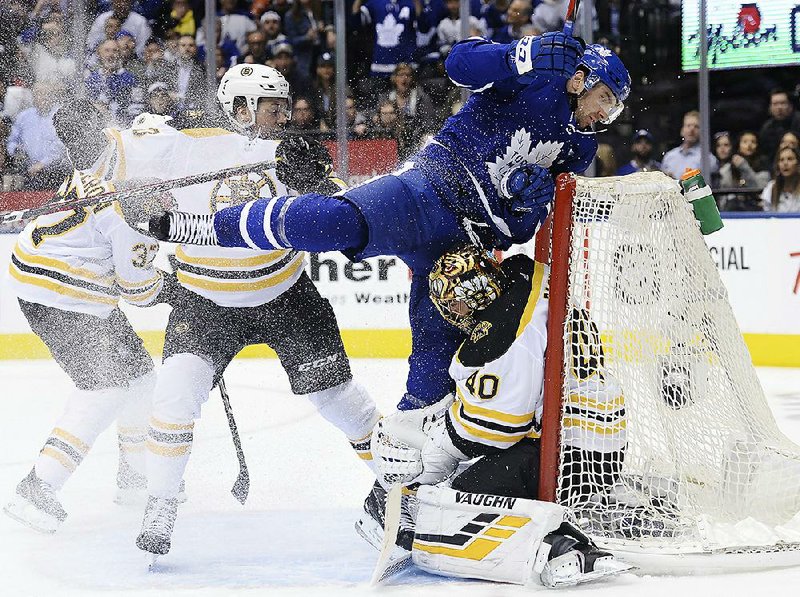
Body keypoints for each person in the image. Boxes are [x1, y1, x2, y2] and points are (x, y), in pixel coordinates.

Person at [146, 35, 631, 417]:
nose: (605, 113)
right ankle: (211, 228)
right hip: (426, 191)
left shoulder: (582, 147)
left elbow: (525, 227)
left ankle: (392, 497)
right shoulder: (537, 78)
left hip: (465, 248)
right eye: (604, 97)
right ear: (579, 78)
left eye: (614, 107)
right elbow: (459, 64)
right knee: (338, 221)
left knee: (434, 374)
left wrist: (527, 203)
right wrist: (515, 55)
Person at [97, 64, 382, 557]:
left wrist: (317, 182)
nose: (283, 117)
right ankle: (161, 501)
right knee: (173, 399)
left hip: (286, 297)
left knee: (340, 400)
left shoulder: (291, 151)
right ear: (243, 108)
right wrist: (99, 157)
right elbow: (105, 155)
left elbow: (339, 213)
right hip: (205, 303)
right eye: (273, 108)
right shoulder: (181, 142)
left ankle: (401, 484)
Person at [367, 245, 630, 587]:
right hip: (592, 441)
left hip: (573, 461)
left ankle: (563, 547)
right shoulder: (525, 278)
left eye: (456, 303)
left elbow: (494, 430)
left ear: (476, 294)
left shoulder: (503, 340)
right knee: (471, 474)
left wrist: (435, 451)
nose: (454, 312)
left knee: (465, 495)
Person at [3, 99, 171, 533]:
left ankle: (135, 479)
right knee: (105, 388)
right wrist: (178, 289)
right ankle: (37, 488)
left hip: (57, 276)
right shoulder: (127, 203)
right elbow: (138, 289)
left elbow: (143, 136)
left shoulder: (110, 149)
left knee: (140, 378)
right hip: (63, 292)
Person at [716, 130, 770, 211]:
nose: (749, 145)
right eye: (745, 142)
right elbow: (724, 190)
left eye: (753, 142)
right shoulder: (727, 169)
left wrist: (744, 167)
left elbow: (758, 189)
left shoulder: (763, 168)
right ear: (738, 145)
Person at [661, 110, 718, 181]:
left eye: (696, 126)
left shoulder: (708, 159)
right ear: (682, 130)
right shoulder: (669, 157)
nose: (692, 129)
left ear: (702, 132)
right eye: (688, 126)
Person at [87, 0, 152, 57]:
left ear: (131, 3)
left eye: (125, 1)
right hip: (103, 59)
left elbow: (144, 48)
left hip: (130, 61)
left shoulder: (140, 21)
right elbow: (91, 43)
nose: (122, 4)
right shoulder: (102, 19)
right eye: (119, 1)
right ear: (113, 2)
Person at [759, 88, 800, 164]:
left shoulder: (798, 121)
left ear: (790, 106)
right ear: (770, 108)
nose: (779, 107)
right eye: (775, 104)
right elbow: (765, 155)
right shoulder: (767, 128)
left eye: (783, 103)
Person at [761, 146, 800, 212]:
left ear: (798, 164)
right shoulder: (771, 188)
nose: (785, 163)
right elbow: (766, 217)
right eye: (781, 160)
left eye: (790, 159)